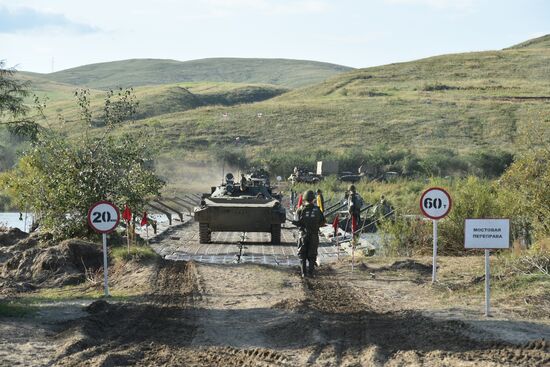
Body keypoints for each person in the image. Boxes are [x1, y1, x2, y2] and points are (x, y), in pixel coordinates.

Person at [293, 190, 326, 277]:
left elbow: (295, 222)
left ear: (304, 199)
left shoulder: (300, 209)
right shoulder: (317, 210)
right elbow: (323, 222)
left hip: (303, 234)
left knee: (302, 254)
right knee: (312, 254)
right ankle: (311, 273)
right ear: (313, 199)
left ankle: (303, 273)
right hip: (314, 235)